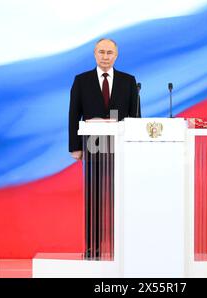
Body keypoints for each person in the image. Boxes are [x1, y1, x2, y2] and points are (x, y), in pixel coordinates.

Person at [68, 38, 141, 259]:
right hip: (93, 145)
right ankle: (94, 248)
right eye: (101, 52)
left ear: (116, 56)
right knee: (95, 198)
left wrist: (135, 143)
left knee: (120, 197)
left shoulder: (129, 81)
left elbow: (136, 115)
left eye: (110, 52)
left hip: (121, 146)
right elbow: (73, 114)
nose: (105, 56)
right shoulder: (82, 81)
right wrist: (75, 147)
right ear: (94, 54)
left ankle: (122, 245)